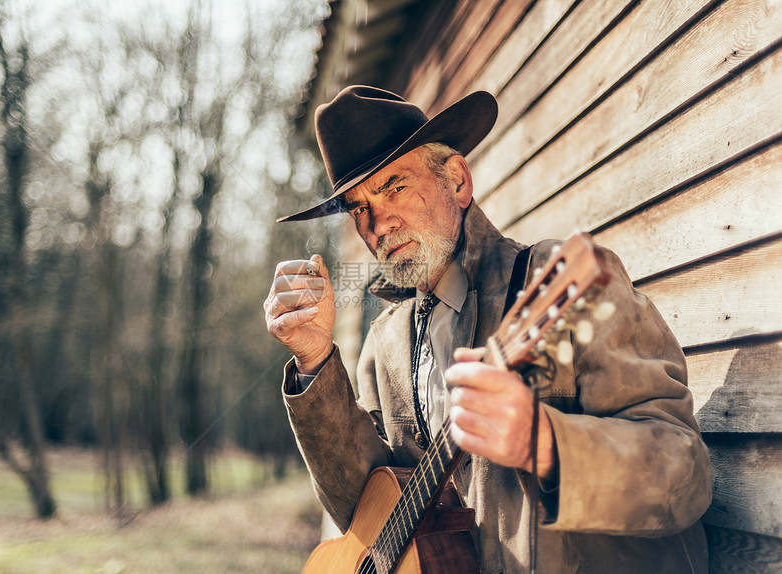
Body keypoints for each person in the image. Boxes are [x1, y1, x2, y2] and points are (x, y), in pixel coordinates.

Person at [264, 85, 712, 573]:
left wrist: (546, 444)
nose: (377, 225)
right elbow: (366, 517)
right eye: (358, 207)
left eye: (393, 186)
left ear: (457, 181)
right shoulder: (383, 346)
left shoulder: (556, 288)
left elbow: (683, 474)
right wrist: (314, 361)